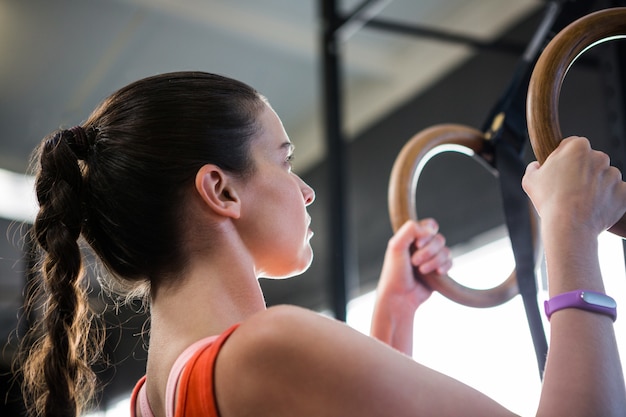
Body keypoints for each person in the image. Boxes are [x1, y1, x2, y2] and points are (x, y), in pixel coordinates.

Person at [17, 71, 626, 417]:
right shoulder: (269, 348)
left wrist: (393, 316)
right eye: (284, 162)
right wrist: (571, 230)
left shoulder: (156, 400)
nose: (304, 192)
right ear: (220, 191)